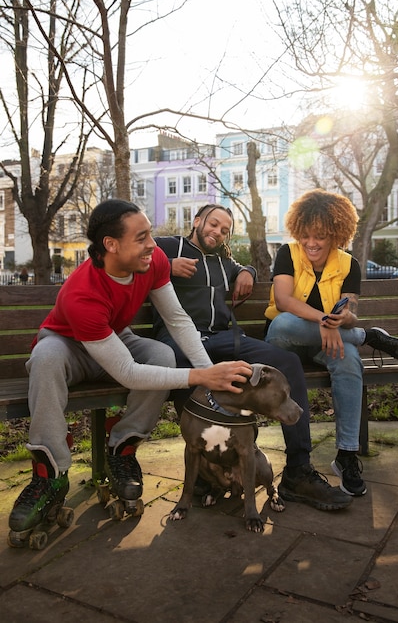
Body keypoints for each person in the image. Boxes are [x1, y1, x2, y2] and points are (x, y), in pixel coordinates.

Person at [8, 199, 254, 538]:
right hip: (68, 346)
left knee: (162, 355)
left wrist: (210, 373)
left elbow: (178, 320)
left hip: (113, 337)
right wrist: (201, 376)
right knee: (46, 358)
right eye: (141, 238)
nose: (152, 244)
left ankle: (122, 449)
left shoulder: (151, 263)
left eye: (150, 234)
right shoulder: (82, 294)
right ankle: (49, 473)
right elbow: (126, 372)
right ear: (111, 245)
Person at [154, 204, 352, 512]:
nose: (217, 232)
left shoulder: (224, 259)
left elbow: (249, 268)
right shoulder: (169, 246)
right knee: (183, 363)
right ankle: (205, 467)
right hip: (179, 337)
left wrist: (246, 271)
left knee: (286, 362)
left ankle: (298, 470)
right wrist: (165, 266)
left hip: (223, 337)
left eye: (225, 230)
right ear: (196, 221)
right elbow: (130, 260)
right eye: (213, 224)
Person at [265, 189, 398, 497]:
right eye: (305, 235)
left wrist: (342, 321)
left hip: (327, 341)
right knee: (285, 322)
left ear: (336, 233)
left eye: (320, 236)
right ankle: (369, 338)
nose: (311, 243)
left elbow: (350, 310)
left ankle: (347, 455)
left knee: (348, 359)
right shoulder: (287, 253)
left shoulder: (349, 264)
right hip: (284, 341)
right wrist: (326, 320)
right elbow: (283, 301)